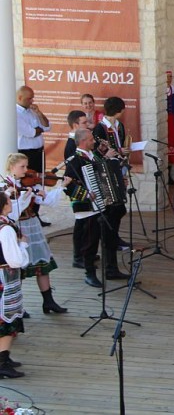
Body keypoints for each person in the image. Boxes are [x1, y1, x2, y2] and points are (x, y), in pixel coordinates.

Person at [3, 154, 69, 314]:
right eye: (22, 167)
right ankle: (18, 305)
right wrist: (25, 196)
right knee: (18, 266)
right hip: (17, 228)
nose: (26, 170)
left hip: (32, 225)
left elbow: (48, 201)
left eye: (26, 166)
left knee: (42, 263)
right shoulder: (4, 187)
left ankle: (48, 301)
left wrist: (61, 187)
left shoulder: (28, 184)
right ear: (11, 167)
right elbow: (12, 212)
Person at [63, 129, 129, 287]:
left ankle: (111, 268)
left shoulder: (93, 156)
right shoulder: (74, 160)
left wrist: (119, 181)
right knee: (90, 242)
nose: (94, 141)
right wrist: (85, 194)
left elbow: (104, 172)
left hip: (104, 204)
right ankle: (89, 274)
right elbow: (67, 186)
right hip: (88, 208)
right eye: (91, 139)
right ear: (83, 141)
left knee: (110, 236)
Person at [93, 97, 131, 251]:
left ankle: (114, 237)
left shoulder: (119, 125)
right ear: (118, 110)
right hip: (107, 171)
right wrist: (118, 151)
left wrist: (124, 151)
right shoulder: (100, 128)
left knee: (120, 205)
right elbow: (97, 152)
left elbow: (120, 143)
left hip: (119, 167)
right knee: (113, 207)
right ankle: (109, 239)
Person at [0, 192, 29, 378]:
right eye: (9, 200)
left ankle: (4, 357)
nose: (11, 202)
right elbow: (16, 261)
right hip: (4, 279)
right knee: (6, 320)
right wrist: (23, 245)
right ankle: (2, 363)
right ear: (3, 206)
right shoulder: (6, 229)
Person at [16, 86, 50, 223]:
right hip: (26, 154)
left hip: (38, 152)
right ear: (20, 98)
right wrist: (39, 129)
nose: (32, 101)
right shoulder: (15, 113)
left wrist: (39, 113)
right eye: (29, 98)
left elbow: (47, 126)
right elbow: (30, 132)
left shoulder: (32, 111)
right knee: (27, 183)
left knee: (39, 182)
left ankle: (36, 214)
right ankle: (27, 215)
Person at [65, 110, 89, 265]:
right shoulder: (71, 145)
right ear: (75, 125)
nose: (88, 125)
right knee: (81, 222)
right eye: (84, 123)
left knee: (87, 223)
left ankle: (84, 252)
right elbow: (72, 171)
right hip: (77, 190)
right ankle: (78, 256)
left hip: (85, 188)